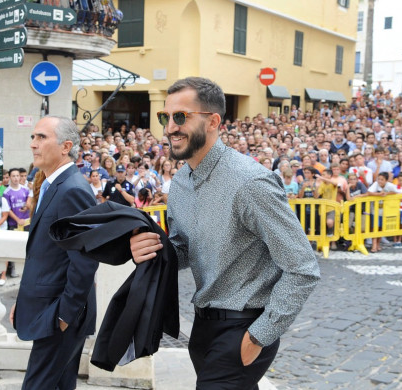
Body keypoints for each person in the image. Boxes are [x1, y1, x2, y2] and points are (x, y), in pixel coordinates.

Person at [129, 77, 320, 389]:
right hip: (203, 330)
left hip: (243, 329)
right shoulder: (179, 184)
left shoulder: (250, 182)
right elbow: (183, 251)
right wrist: (150, 246)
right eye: (166, 117)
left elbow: (303, 268)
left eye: (181, 117)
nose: (169, 127)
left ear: (213, 121)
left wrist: (260, 335)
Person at [10, 116, 98, 390]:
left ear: (65, 146)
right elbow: (46, 256)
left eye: (41, 137)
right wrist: (24, 301)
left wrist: (64, 315)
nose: (33, 144)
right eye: (33, 137)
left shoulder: (72, 189)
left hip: (60, 314)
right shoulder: (54, 185)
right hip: (50, 310)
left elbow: (84, 261)